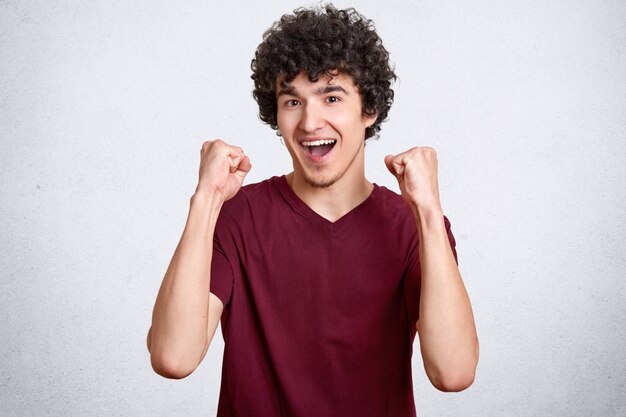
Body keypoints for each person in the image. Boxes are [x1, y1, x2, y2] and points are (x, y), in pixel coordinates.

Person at [147, 4, 478, 416]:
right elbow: (172, 358)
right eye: (292, 102)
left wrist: (429, 212)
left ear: (368, 110)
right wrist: (205, 201)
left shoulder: (414, 227)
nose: (310, 123)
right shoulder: (236, 217)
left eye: (332, 97)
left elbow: (454, 373)